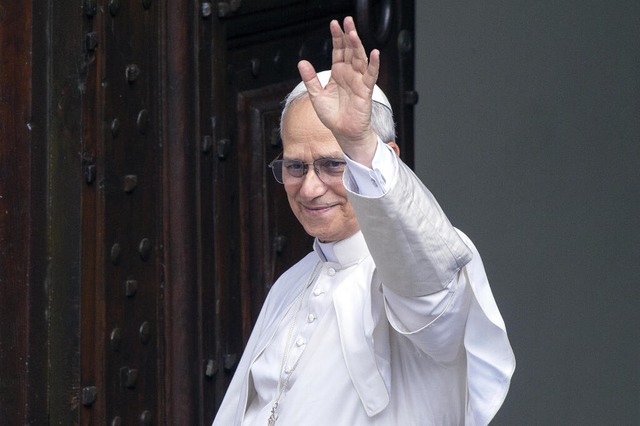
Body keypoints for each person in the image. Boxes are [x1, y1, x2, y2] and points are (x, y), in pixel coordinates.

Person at [213, 16, 515, 426]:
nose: (310, 189)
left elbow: (430, 296)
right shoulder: (289, 285)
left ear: (386, 157)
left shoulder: (416, 272)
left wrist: (359, 144)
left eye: (333, 164)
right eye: (296, 167)